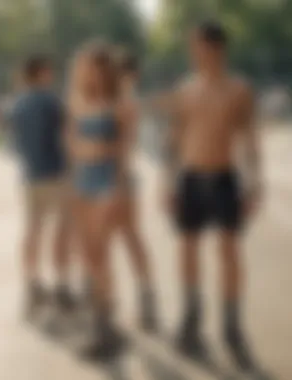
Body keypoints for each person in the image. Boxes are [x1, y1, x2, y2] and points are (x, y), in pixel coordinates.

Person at [157, 22, 262, 371]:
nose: (192, 51)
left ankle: (231, 326)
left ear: (216, 48)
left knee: (229, 252)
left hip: (224, 178)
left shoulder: (239, 90)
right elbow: (172, 140)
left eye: (197, 45)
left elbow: (249, 140)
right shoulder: (185, 89)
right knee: (187, 249)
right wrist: (166, 182)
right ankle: (191, 319)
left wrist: (254, 184)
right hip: (190, 177)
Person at [66, 42, 130, 361]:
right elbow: (70, 144)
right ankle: (103, 317)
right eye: (84, 66)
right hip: (81, 183)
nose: (88, 71)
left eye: (93, 65)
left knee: (101, 254)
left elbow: (121, 152)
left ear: (104, 69)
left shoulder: (116, 103)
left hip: (105, 184)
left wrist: (118, 191)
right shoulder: (76, 101)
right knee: (87, 254)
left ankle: (103, 327)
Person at [11, 54, 74, 318]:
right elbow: (67, 136)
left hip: (30, 176)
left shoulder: (18, 105)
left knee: (32, 231)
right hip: (56, 174)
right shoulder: (52, 102)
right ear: (42, 73)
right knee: (61, 232)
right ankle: (61, 286)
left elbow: (15, 143)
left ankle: (32, 284)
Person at [113, 49, 158, 331]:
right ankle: (144, 299)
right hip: (117, 177)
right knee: (128, 239)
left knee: (130, 238)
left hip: (120, 179)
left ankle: (147, 300)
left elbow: (126, 145)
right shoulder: (122, 100)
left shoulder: (126, 102)